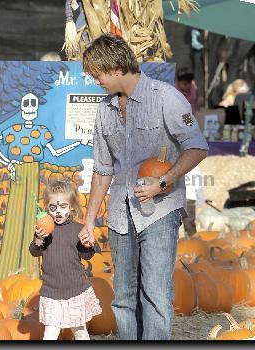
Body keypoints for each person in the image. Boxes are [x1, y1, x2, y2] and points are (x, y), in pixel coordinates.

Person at [78, 34, 208, 340]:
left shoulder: (166, 97)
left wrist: (164, 181)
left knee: (156, 296)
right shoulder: (104, 109)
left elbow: (197, 148)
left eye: (97, 73)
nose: (94, 80)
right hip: (120, 215)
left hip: (160, 212)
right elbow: (102, 169)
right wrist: (89, 219)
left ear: (114, 68)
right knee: (123, 298)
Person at [29, 179, 102, 340]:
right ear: (47, 207)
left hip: (75, 290)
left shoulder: (77, 229)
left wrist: (87, 244)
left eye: (63, 207)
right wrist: (39, 239)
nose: (58, 212)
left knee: (80, 331)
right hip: (52, 292)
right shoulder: (45, 229)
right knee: (50, 333)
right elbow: (34, 251)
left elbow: (87, 255)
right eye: (53, 207)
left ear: (71, 207)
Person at [183, 166, 206, 236]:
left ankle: (192, 242)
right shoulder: (194, 166)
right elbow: (198, 185)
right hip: (188, 198)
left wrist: (201, 199)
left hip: (185, 198)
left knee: (188, 223)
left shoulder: (173, 162)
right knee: (189, 222)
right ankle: (192, 241)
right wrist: (201, 199)